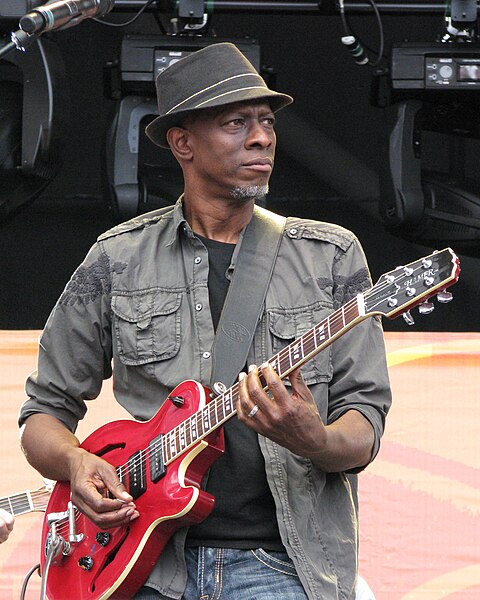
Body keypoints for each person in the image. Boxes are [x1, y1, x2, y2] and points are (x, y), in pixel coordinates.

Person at [19, 43, 391, 599]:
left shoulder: (332, 256)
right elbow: (44, 415)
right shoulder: (117, 257)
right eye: (236, 122)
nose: (262, 137)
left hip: (280, 567)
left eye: (266, 122)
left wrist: (315, 439)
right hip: (142, 569)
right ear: (182, 142)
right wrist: (75, 464)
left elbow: (365, 419)